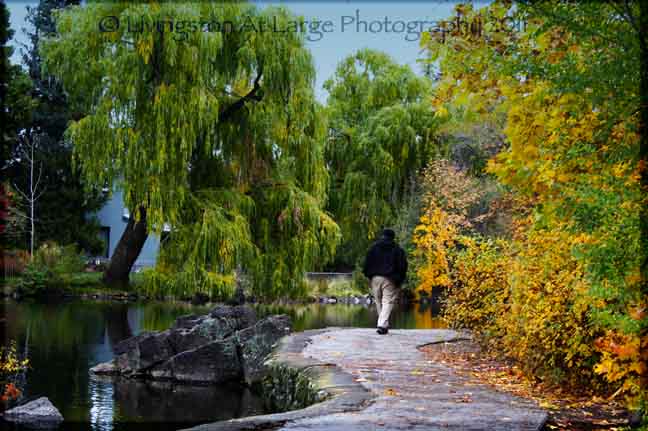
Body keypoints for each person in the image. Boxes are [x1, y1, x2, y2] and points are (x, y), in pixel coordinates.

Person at [362, 228, 408, 335]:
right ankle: (382, 324)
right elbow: (403, 265)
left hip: (375, 277)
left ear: (382, 235)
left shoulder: (373, 248)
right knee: (387, 301)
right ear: (393, 237)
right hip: (390, 278)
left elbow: (367, 262)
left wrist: (369, 275)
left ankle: (383, 324)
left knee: (378, 301)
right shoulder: (397, 249)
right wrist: (399, 279)